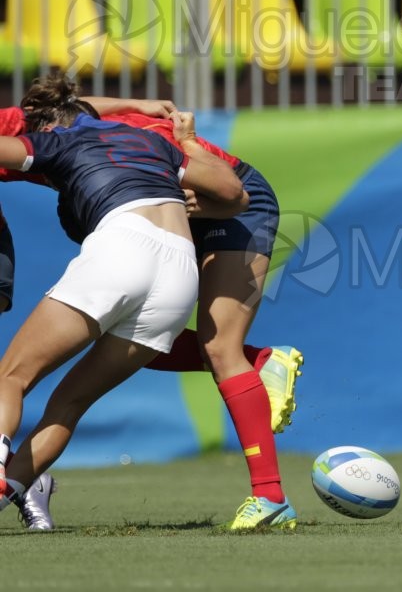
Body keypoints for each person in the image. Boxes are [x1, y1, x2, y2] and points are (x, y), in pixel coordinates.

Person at [0, 83, 303, 530]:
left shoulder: (49, 138)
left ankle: (269, 492)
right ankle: (258, 365)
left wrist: (188, 146)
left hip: (221, 202)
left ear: (40, 123)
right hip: (174, 239)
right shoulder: (118, 133)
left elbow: (235, 194)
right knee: (89, 378)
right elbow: (77, 109)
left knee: (220, 348)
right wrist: (146, 113)